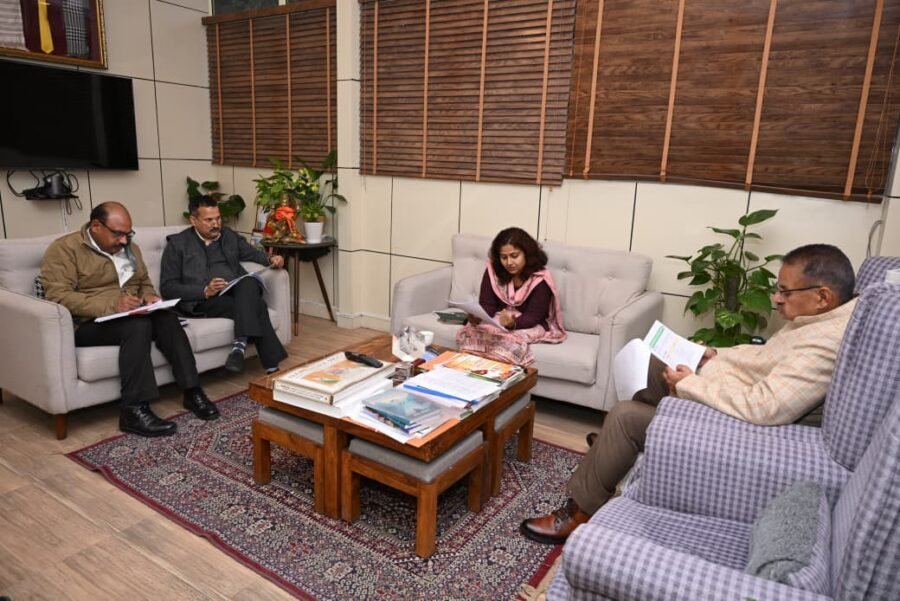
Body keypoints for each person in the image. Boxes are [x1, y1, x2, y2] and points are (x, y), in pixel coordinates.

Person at [520, 243, 858, 545]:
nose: (776, 299)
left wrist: (690, 383)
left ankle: (579, 512)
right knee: (656, 363)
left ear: (823, 296)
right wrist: (713, 355)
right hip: (730, 388)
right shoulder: (816, 320)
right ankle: (621, 449)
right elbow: (764, 357)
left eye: (785, 291)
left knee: (625, 417)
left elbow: (765, 407)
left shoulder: (823, 344)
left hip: (742, 428)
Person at [40, 202, 219, 437]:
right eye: (118, 234)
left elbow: (142, 281)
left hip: (127, 313)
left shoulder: (129, 247)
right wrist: (113, 305)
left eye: (128, 234)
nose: (124, 241)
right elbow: (59, 296)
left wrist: (149, 296)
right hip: (86, 323)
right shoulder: (65, 249)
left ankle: (192, 391)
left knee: (165, 317)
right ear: (96, 226)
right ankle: (133, 410)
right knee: (137, 325)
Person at [160, 195, 288, 375]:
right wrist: (205, 290)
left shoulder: (229, 236)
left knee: (249, 281)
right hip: (204, 301)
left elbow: (252, 254)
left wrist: (271, 259)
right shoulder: (178, 245)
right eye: (209, 220)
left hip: (237, 291)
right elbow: (168, 287)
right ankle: (270, 366)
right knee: (257, 305)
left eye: (218, 218)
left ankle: (239, 347)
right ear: (193, 220)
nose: (215, 224)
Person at [456, 227, 566, 365]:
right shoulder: (494, 271)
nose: (509, 262)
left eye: (514, 256)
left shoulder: (540, 279)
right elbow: (488, 304)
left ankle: (497, 372)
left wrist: (512, 324)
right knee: (470, 331)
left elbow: (533, 316)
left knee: (509, 341)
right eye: (504, 257)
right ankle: (470, 370)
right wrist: (477, 317)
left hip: (529, 323)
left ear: (527, 253)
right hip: (501, 319)